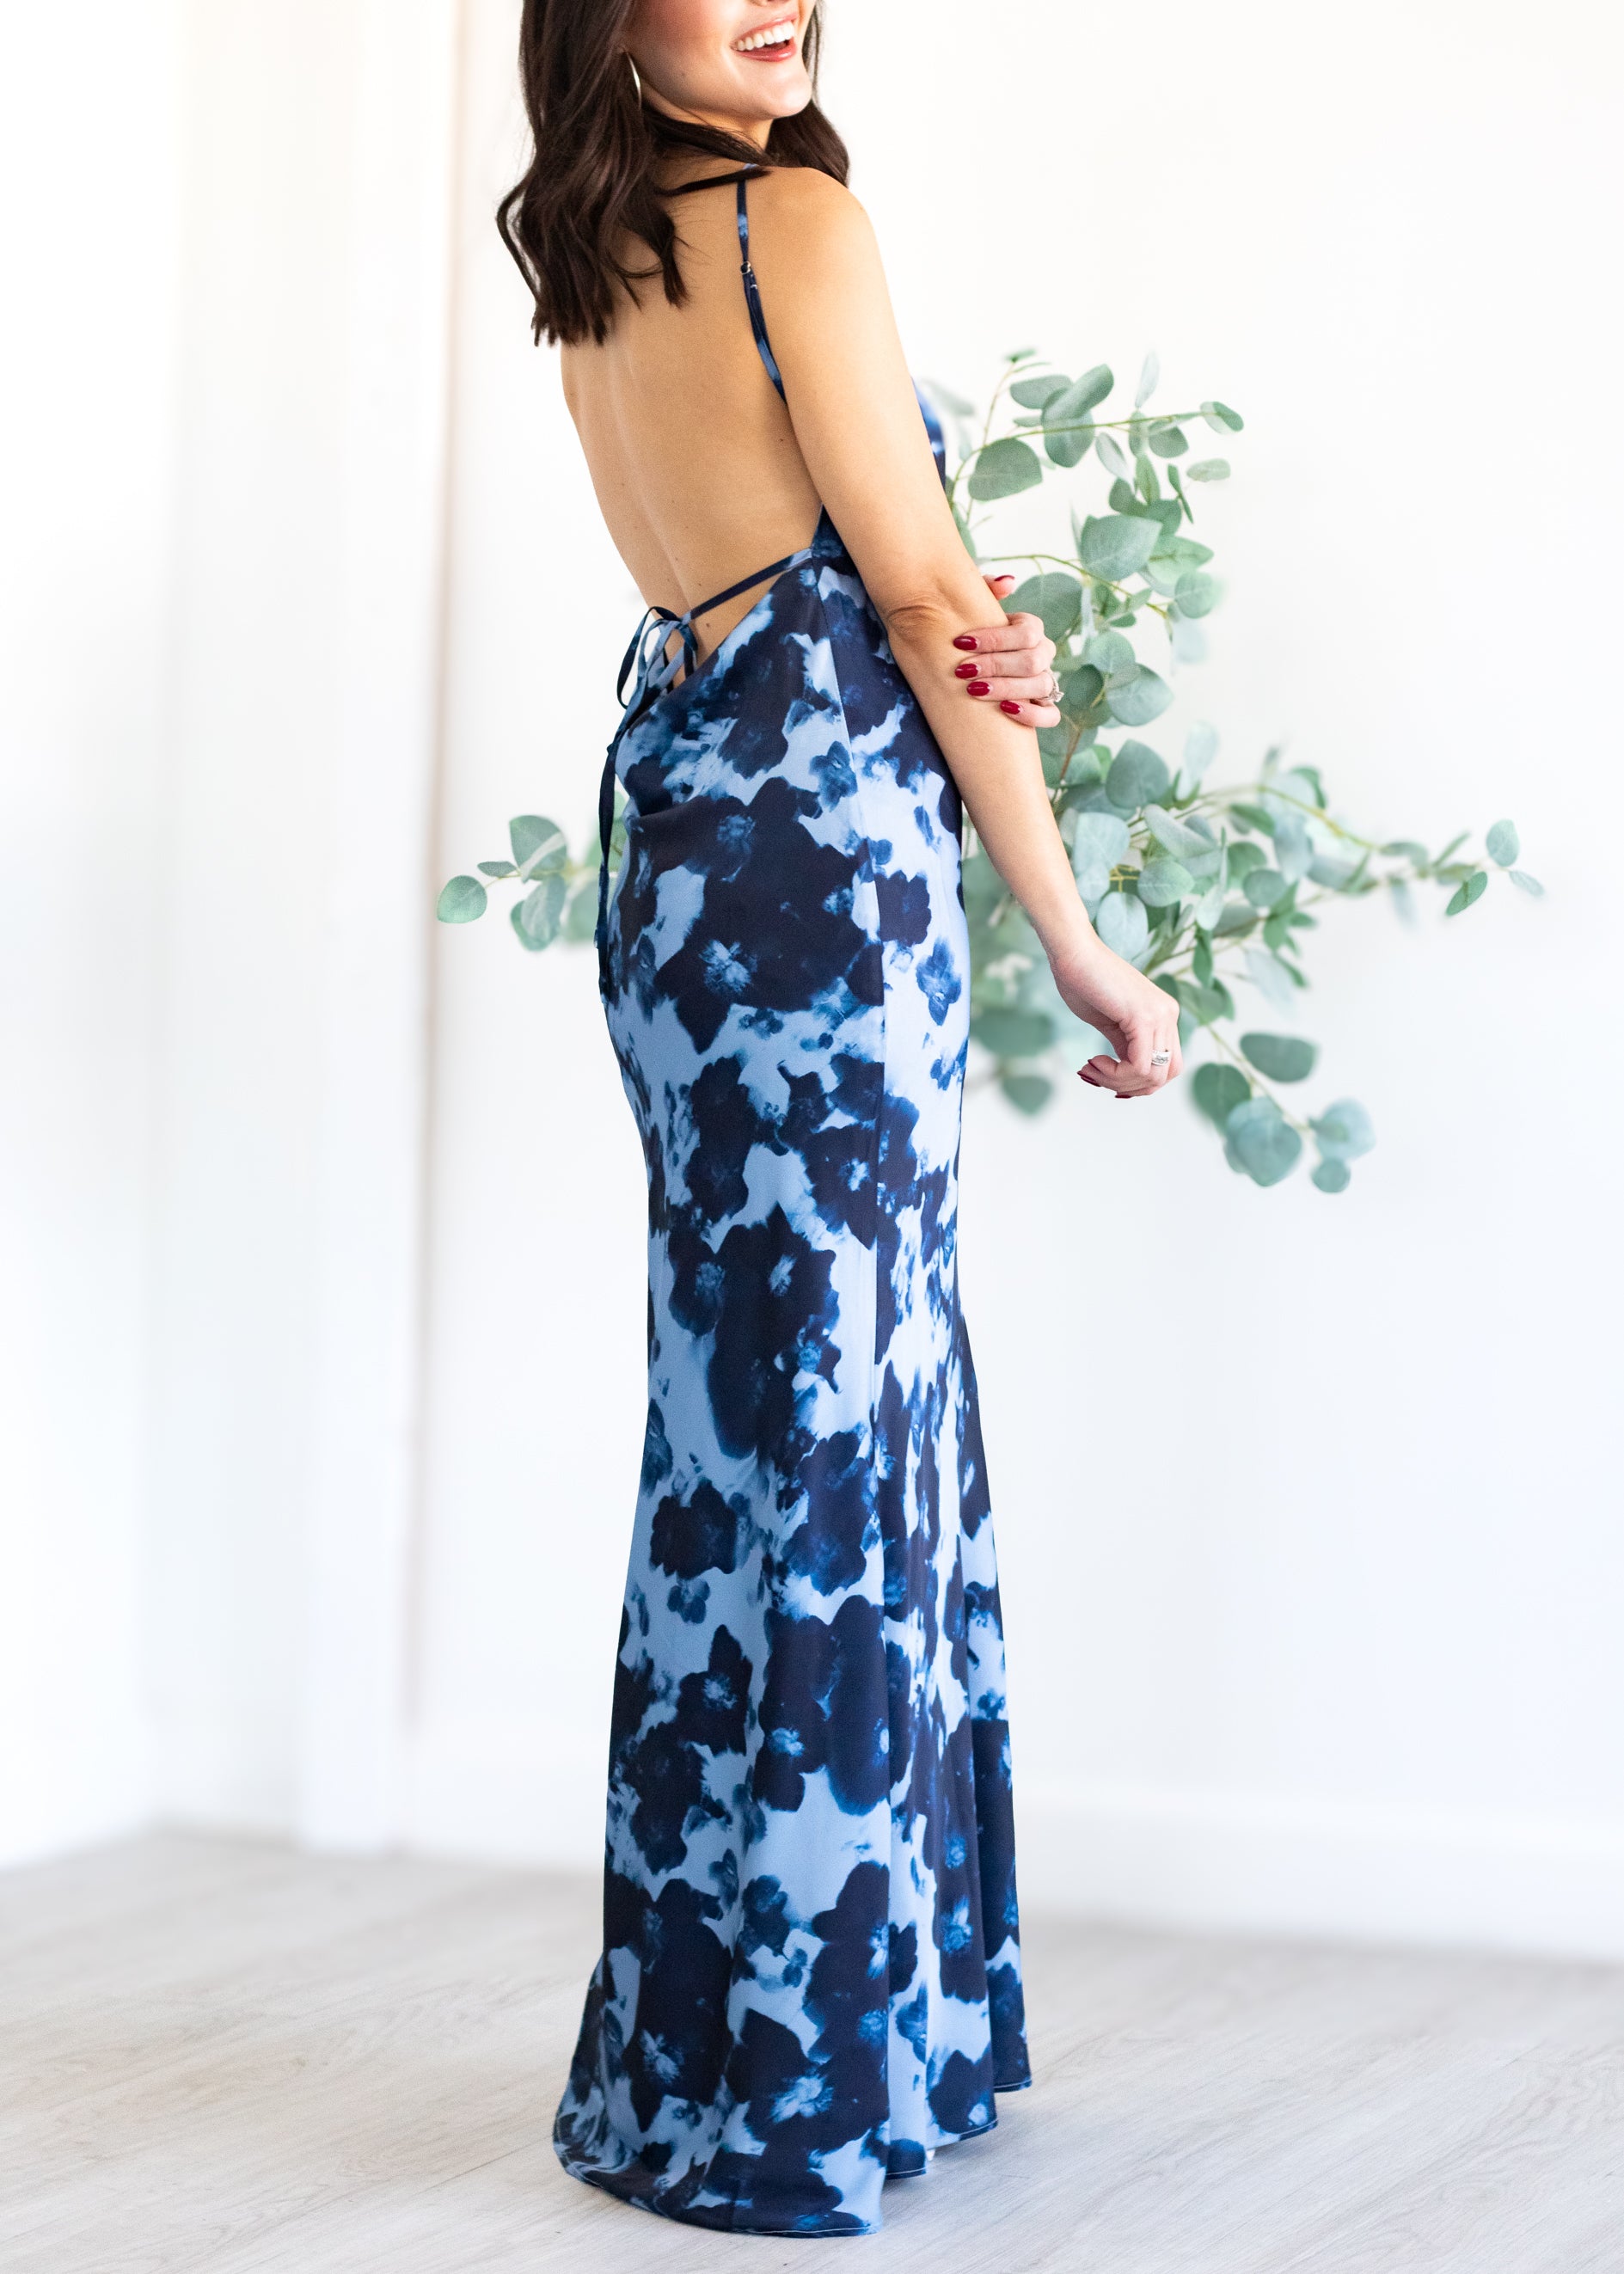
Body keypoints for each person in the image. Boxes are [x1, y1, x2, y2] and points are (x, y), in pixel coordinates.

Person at [496, 0, 1183, 2239]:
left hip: (688, 821)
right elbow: (903, 590)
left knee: (746, 1415)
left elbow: (836, 577)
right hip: (818, 849)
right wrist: (1072, 929)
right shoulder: (797, 212)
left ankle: (723, 2046)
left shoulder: (592, 242)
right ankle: (807, 2074)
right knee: (835, 1414)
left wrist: (975, 624)